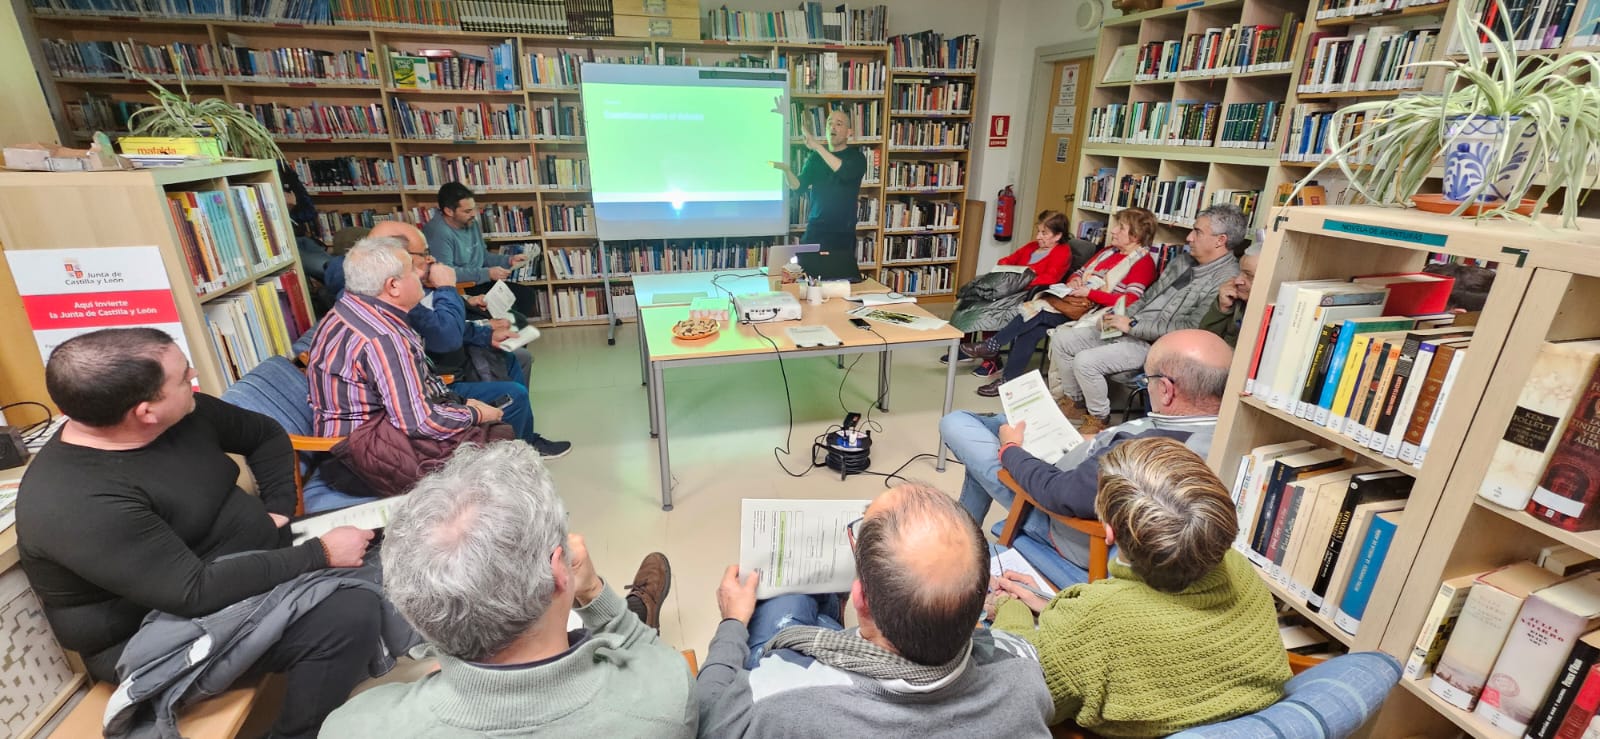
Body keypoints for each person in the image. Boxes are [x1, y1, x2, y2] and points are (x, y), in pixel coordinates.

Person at [16, 328, 383, 739]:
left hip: (245, 562)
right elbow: (193, 592)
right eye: (182, 376)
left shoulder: (184, 413)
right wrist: (320, 555)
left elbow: (264, 435)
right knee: (347, 616)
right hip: (156, 630)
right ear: (145, 412)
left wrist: (279, 508)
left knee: (392, 532)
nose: (193, 375)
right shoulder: (74, 501)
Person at [320, 442, 692, 738]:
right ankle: (636, 611)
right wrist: (592, 590)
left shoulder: (351, 727)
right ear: (559, 571)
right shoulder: (665, 697)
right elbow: (659, 665)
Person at [695, 483, 1053, 737]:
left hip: (805, 670)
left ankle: (823, 610)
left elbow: (708, 718)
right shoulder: (1024, 676)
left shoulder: (779, 698)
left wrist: (731, 622)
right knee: (818, 609)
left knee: (786, 601)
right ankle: (829, 610)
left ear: (862, 602)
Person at [991, 437, 1291, 735]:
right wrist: (1053, 607)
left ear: (1108, 531)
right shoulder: (1238, 568)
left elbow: (1021, 689)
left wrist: (1011, 608)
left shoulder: (1100, 622)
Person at [939, 329, 1230, 573]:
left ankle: (958, 543)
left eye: (1147, 380)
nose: (1147, 387)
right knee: (1005, 423)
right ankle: (961, 536)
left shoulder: (1141, 453)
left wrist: (1012, 450)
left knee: (957, 424)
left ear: (1166, 390)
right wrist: (1094, 440)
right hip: (1082, 464)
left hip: (1056, 513)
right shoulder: (1223, 435)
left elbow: (1060, 494)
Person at [368, 220, 570, 458]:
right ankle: (516, 451)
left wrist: (486, 334)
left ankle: (519, 438)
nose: (431, 260)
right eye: (424, 254)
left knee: (511, 357)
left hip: (438, 371)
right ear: (397, 258)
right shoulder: (394, 298)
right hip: (440, 380)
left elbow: (444, 324)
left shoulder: (406, 288)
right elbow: (446, 337)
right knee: (514, 392)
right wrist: (446, 288)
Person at [1048, 202, 1243, 434]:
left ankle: (1099, 417)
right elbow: (1147, 297)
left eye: (1197, 232)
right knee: (1062, 338)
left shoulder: (1226, 280)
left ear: (1220, 240)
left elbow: (1190, 329)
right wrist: (1120, 315)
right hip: (1131, 328)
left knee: (1085, 361)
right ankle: (1076, 402)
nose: (1189, 238)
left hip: (1156, 346)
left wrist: (1133, 325)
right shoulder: (1182, 261)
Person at [963, 208, 1160, 395]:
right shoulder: (1108, 251)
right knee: (1031, 330)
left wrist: (1090, 293)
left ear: (1135, 236)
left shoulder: (1143, 263)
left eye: (1121, 228)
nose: (1114, 230)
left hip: (1099, 316)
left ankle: (994, 347)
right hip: (1076, 304)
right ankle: (1006, 379)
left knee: (1037, 313)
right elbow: (1079, 273)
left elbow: (1129, 301)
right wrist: (1074, 280)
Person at [947, 210, 1080, 372]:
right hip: (1011, 285)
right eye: (1038, 231)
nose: (1038, 237)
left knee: (992, 308)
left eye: (1044, 233)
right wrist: (1009, 270)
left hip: (1028, 292)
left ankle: (992, 360)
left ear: (1058, 236)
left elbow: (1050, 278)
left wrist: (1022, 279)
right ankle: (964, 347)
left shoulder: (1062, 252)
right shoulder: (1032, 247)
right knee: (972, 295)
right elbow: (1007, 260)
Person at [772, 107, 868, 275]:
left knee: (841, 281)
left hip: (842, 233)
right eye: (830, 123)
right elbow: (798, 186)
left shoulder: (857, 158)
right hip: (816, 230)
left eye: (839, 124)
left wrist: (817, 146)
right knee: (807, 278)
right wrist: (787, 171)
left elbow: (844, 172)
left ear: (848, 132)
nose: (833, 127)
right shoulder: (816, 158)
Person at [420, 182, 541, 314]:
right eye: (467, 211)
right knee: (512, 310)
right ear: (448, 211)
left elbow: (483, 257)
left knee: (526, 296)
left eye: (473, 209)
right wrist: (487, 273)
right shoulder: (438, 232)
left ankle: (510, 331)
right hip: (461, 287)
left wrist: (508, 260)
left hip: (480, 281)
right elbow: (446, 273)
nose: (473, 214)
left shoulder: (471, 223)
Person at [1199, 245, 1260, 347]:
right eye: (1240, 272)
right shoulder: (1235, 299)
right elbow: (1203, 342)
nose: (1237, 281)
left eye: (1249, 276)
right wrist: (1222, 309)